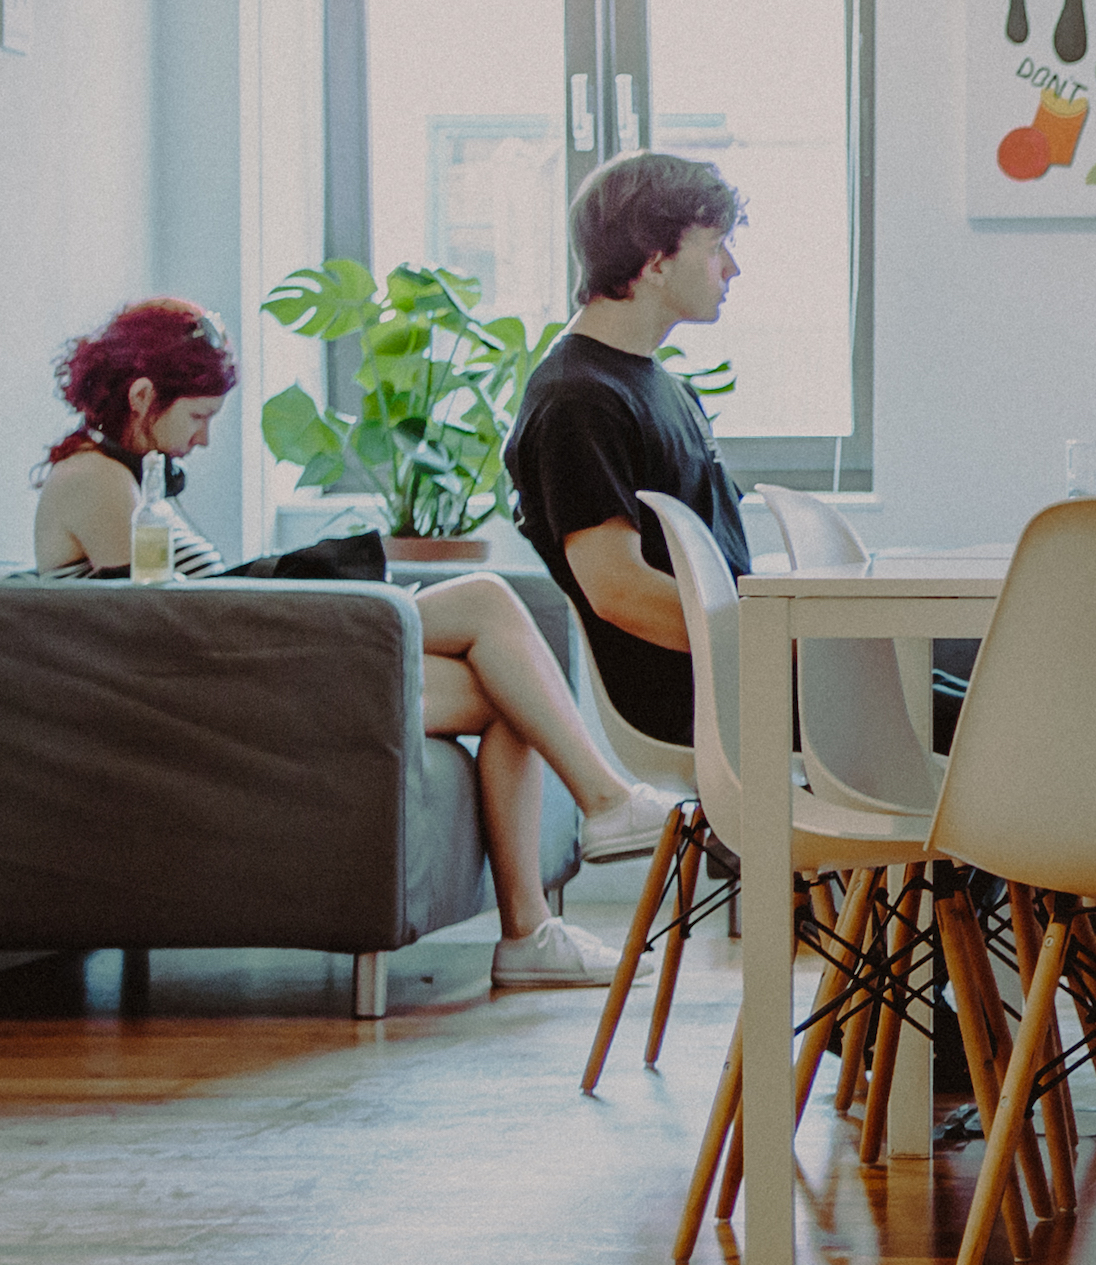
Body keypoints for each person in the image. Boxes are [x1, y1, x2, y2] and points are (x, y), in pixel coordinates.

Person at [34, 297, 673, 986]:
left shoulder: (132, 480)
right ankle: (602, 808)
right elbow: (157, 628)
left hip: (242, 668)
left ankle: (532, 930)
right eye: (198, 417)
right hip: (220, 691)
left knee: (509, 689)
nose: (205, 440)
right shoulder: (94, 480)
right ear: (141, 397)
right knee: (485, 602)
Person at [505, 154, 760, 785]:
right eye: (715, 247)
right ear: (655, 261)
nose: (731, 267)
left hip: (737, 679)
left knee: (964, 695)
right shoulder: (577, 401)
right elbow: (619, 592)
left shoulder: (661, 385)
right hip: (702, 702)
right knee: (976, 719)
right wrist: (775, 640)